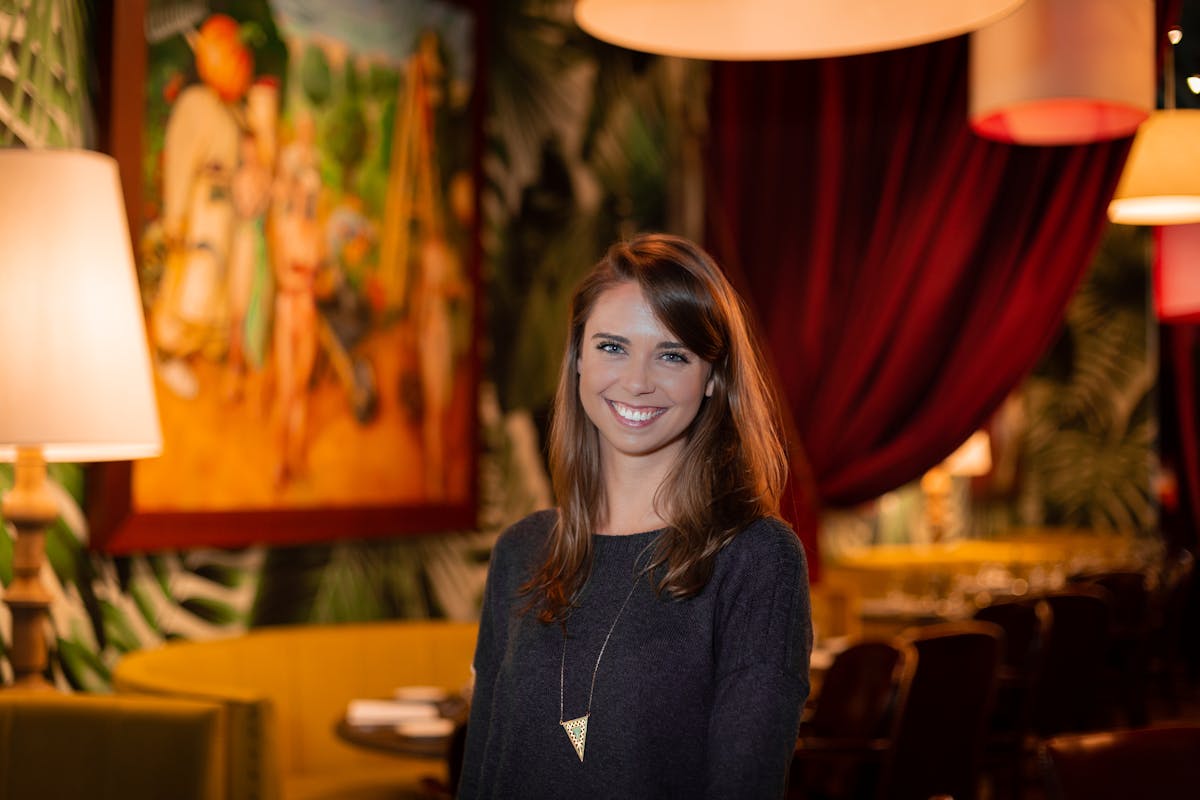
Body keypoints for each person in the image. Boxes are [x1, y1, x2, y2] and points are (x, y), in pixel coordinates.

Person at [458, 233, 812, 799]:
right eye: (612, 347)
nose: (638, 380)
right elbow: (480, 777)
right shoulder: (520, 551)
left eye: (673, 355)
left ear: (712, 380)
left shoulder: (757, 559)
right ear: (577, 359)